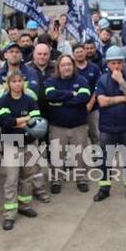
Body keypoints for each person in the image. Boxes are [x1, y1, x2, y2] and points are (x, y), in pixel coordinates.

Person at [92, 46, 126, 203]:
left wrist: (121, 81)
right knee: (105, 160)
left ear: (123, 63)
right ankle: (104, 188)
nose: (116, 66)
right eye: (113, 63)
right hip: (107, 128)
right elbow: (102, 101)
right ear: (108, 64)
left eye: (119, 62)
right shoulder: (102, 79)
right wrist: (123, 98)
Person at [0, 70, 40, 230]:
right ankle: (10, 214)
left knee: (27, 176)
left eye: (19, 81)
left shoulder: (30, 100)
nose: (17, 84)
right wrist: (24, 120)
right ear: (8, 84)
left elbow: (37, 119)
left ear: (24, 82)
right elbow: (5, 122)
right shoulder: (2, 101)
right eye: (13, 81)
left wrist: (17, 122)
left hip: (29, 142)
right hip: (11, 142)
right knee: (11, 180)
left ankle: (24, 205)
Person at [44, 54, 91, 193]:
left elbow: (84, 98)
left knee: (80, 155)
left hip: (79, 126)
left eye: (69, 64)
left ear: (73, 66)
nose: (67, 67)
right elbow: (50, 96)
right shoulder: (51, 81)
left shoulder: (81, 80)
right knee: (57, 155)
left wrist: (61, 100)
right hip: (57, 126)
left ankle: (81, 179)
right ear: (58, 67)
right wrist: (72, 94)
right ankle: (56, 180)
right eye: (63, 65)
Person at [73, 43, 102, 145]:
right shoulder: (71, 69)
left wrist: (90, 103)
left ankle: (99, 157)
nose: (80, 54)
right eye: (77, 52)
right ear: (73, 54)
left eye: (81, 51)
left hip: (93, 108)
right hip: (76, 108)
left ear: (85, 52)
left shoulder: (94, 68)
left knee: (96, 134)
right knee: (79, 137)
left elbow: (98, 86)